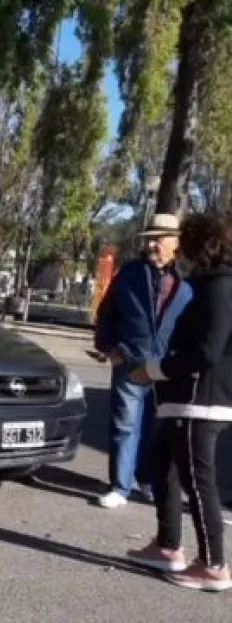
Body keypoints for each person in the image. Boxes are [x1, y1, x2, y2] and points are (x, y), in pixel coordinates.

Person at [127, 212, 232, 592]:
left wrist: (154, 370)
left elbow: (205, 351)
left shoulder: (220, 286)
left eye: (184, 242)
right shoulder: (209, 284)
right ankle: (168, 546)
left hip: (198, 400)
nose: (179, 251)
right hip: (185, 400)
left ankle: (214, 564)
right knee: (163, 468)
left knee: (198, 483)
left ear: (201, 245)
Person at [93, 213, 192, 508]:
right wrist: (110, 347)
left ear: (175, 243)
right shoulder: (131, 273)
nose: (151, 244)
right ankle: (120, 487)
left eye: (158, 239)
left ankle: (147, 481)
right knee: (125, 424)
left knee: (158, 429)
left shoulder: (189, 279)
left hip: (167, 368)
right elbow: (107, 313)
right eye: (149, 238)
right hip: (131, 361)